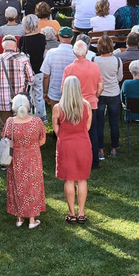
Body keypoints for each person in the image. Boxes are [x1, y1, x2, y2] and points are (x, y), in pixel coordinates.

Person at [1, 95, 46, 229]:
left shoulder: (10, 122)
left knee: (17, 185)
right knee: (33, 186)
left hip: (16, 157)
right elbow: (42, 140)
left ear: (14, 107)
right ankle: (32, 219)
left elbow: (5, 140)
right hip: (33, 157)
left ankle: (19, 218)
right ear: (28, 105)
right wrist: (30, 146)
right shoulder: (36, 122)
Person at [53, 76, 92, 225]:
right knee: (82, 179)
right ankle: (81, 213)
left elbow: (56, 128)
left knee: (69, 179)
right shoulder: (86, 105)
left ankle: (72, 213)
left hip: (66, 145)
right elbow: (87, 126)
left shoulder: (58, 107)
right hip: (82, 143)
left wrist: (64, 135)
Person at [0, 36, 35, 127]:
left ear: (3, 47)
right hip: (20, 100)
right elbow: (31, 79)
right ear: (15, 47)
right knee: (21, 126)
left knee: (5, 126)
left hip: (2, 99)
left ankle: (7, 140)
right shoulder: (23, 59)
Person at [92, 36, 124, 160]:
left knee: (99, 123)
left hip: (99, 94)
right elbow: (119, 77)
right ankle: (114, 148)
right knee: (114, 122)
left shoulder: (95, 60)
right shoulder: (117, 60)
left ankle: (100, 150)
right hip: (114, 93)